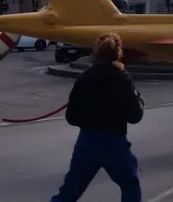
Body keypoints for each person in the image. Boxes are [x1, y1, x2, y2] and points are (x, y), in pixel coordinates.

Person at [51, 33, 144, 202]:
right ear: (118, 53)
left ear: (95, 52)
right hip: (114, 142)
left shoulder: (84, 78)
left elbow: (71, 117)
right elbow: (135, 116)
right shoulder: (123, 79)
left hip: (87, 142)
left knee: (70, 191)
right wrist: (138, 101)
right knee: (130, 184)